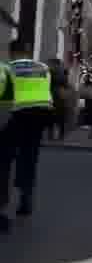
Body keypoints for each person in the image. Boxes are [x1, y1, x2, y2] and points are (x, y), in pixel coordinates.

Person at [0, 39, 54, 233]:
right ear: (28, 50)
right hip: (38, 118)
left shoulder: (7, 68)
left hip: (14, 118)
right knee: (29, 158)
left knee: (4, 162)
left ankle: (2, 207)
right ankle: (25, 199)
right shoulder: (43, 69)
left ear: (11, 52)